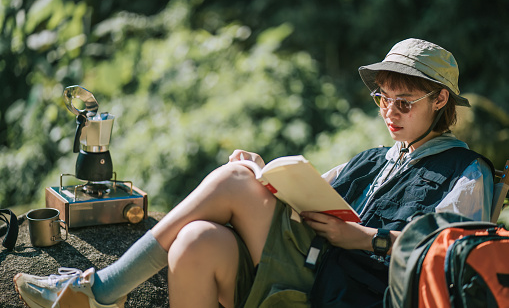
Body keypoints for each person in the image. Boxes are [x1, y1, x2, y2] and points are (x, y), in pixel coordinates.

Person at [13, 38, 494, 308]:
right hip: (307, 266)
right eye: (383, 99)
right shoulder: (372, 158)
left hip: (352, 291)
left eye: (405, 102)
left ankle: (102, 290)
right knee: (197, 240)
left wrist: (365, 239)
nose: (390, 112)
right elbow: (299, 199)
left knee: (230, 184)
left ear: (441, 100)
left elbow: (448, 255)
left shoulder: (467, 171)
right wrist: (265, 175)